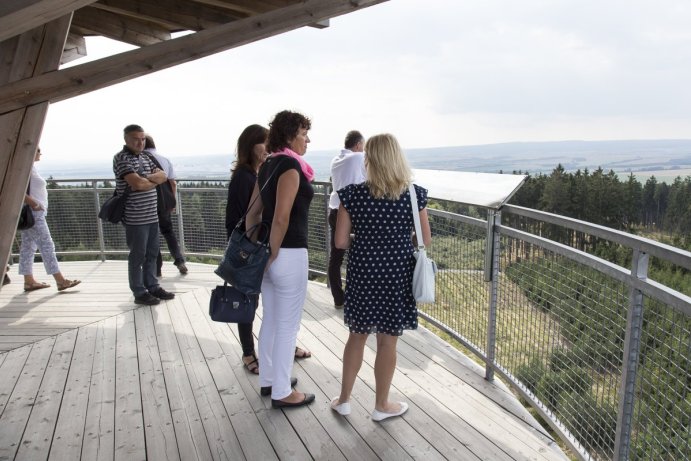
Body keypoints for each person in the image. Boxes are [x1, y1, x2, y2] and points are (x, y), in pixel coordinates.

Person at [330, 133, 432, 421]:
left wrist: (365, 242)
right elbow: (424, 239)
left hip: (363, 274)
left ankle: (345, 400)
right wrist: (397, 240)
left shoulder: (352, 195)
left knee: (357, 336)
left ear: (370, 160)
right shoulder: (414, 194)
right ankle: (381, 405)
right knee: (388, 342)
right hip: (396, 276)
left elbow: (339, 242)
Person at [245, 110, 315, 408]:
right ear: (289, 135)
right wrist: (274, 251)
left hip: (268, 255)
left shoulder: (269, 163)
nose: (307, 140)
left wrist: (258, 252)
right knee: (288, 325)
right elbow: (281, 218)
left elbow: (252, 213)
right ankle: (283, 392)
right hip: (287, 253)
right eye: (303, 134)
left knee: (272, 320)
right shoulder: (289, 166)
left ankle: (270, 379)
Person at [113, 124, 175, 305]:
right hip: (135, 217)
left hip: (152, 215)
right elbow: (137, 184)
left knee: (152, 253)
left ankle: (152, 286)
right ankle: (139, 292)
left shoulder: (146, 156)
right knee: (138, 255)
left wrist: (146, 180)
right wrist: (151, 180)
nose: (140, 142)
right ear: (126, 139)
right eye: (135, 139)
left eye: (142, 139)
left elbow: (162, 175)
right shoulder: (121, 158)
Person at [225, 124, 269, 375]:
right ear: (250, 146)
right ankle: (248, 353)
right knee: (247, 302)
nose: (267, 148)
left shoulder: (256, 174)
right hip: (249, 249)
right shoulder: (244, 177)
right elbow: (238, 219)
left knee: (263, 300)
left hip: (255, 247)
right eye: (263, 143)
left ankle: (278, 346)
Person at [18, 147, 81, 292]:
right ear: (31, 152)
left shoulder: (30, 167)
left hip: (34, 212)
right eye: (38, 150)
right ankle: (60, 280)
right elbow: (20, 189)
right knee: (47, 245)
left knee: (28, 247)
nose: (41, 153)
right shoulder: (26, 169)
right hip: (34, 213)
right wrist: (34, 203)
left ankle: (29, 281)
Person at [327, 130, 366, 309]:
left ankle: (338, 299)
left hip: (335, 211)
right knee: (359, 256)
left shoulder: (336, 161)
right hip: (353, 213)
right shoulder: (358, 158)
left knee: (336, 258)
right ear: (358, 145)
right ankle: (356, 298)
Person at [143, 135, 188, 277]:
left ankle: (157, 269)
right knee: (168, 232)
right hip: (164, 203)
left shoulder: (141, 159)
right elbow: (173, 183)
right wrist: (172, 201)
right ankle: (180, 261)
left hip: (148, 203)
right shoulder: (165, 159)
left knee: (152, 235)